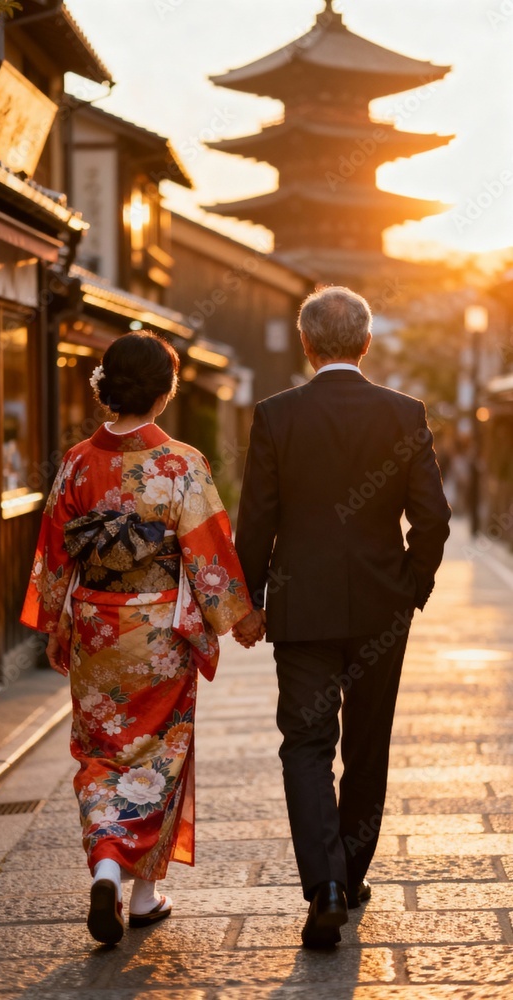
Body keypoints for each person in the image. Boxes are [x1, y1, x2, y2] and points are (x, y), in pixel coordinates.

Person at [21, 331, 264, 946]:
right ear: (165, 390)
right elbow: (207, 550)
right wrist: (240, 617)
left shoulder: (77, 461)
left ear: (109, 386)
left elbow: (54, 551)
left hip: (96, 627)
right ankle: (146, 892)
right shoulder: (180, 463)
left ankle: (106, 868)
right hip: (158, 633)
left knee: (101, 751)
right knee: (161, 753)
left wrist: (56, 622)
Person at [233, 286, 451, 948]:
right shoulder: (403, 413)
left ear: (305, 344)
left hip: (302, 607)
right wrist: (411, 587)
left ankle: (324, 884)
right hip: (381, 605)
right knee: (366, 743)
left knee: (305, 743)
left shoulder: (276, 415)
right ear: (366, 342)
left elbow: (256, 522)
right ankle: (349, 876)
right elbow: (434, 518)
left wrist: (252, 599)